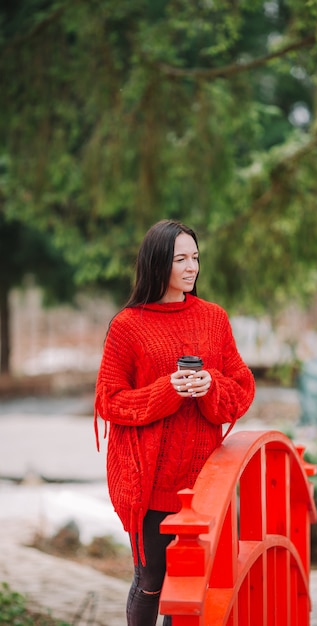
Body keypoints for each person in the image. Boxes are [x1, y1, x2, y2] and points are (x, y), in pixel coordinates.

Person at [94, 219, 255, 626]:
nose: (191, 267)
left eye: (195, 257)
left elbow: (242, 387)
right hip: (147, 479)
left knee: (192, 583)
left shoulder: (214, 318)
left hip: (203, 479)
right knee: (151, 578)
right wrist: (168, 391)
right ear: (157, 263)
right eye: (180, 258)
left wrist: (210, 385)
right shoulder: (128, 326)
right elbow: (109, 401)